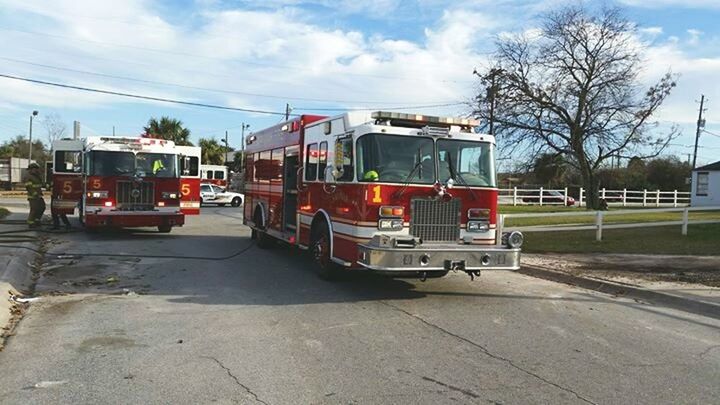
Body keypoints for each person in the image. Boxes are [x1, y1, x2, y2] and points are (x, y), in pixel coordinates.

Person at [25, 163, 46, 228]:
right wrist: (35, 194)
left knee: (42, 207)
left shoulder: (37, 176)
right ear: (31, 169)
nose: (36, 170)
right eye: (35, 169)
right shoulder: (28, 176)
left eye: (37, 169)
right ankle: (30, 223)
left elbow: (41, 184)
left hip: (39, 196)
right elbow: (29, 187)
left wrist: (48, 185)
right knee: (34, 209)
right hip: (32, 196)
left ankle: (37, 220)